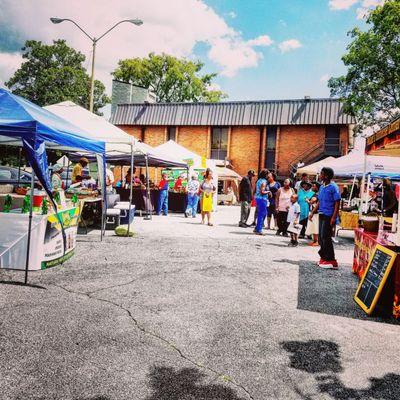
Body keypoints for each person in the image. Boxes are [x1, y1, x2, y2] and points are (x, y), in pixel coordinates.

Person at [309, 167, 341, 270]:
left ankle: (332, 260)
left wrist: (334, 217)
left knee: (325, 237)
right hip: (322, 214)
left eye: (321, 174)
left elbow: (337, 202)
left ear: (326, 176)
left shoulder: (333, 187)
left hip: (329, 215)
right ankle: (324, 258)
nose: (320, 175)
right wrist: (312, 212)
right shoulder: (322, 187)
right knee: (321, 237)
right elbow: (319, 201)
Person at [254, 169, 269, 235]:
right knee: (262, 214)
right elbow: (262, 192)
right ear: (266, 175)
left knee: (262, 213)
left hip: (258, 198)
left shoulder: (259, 180)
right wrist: (269, 191)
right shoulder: (264, 181)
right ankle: (259, 229)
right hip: (262, 199)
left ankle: (257, 228)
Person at [306, 181, 321, 246]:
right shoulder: (316, 194)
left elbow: (312, 201)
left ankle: (316, 241)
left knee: (315, 227)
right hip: (315, 212)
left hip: (315, 213)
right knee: (314, 226)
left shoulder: (316, 195)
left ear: (317, 187)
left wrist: (307, 200)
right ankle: (315, 240)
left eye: (313, 186)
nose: (312, 187)